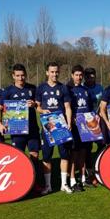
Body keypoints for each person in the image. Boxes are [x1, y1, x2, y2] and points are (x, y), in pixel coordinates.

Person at [0, 64, 41, 186]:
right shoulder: (8, 91)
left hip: (32, 128)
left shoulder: (32, 88)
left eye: (22, 75)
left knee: (35, 155)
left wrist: (35, 105)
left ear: (25, 75)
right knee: (19, 156)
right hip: (17, 130)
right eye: (17, 76)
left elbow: (39, 106)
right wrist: (0, 124)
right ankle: (20, 181)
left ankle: (34, 181)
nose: (20, 78)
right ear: (13, 76)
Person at [36, 62, 73, 194]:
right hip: (47, 127)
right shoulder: (41, 88)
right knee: (46, 156)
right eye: (52, 72)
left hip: (61, 127)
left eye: (56, 72)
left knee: (64, 155)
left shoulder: (63, 88)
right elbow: (38, 106)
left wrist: (68, 123)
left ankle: (64, 184)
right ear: (47, 73)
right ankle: (48, 186)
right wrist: (42, 111)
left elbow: (68, 107)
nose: (54, 74)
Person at [67, 65, 97, 192]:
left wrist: (93, 117)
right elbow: (66, 107)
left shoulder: (85, 90)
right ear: (72, 75)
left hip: (85, 125)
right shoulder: (68, 89)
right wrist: (71, 119)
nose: (78, 77)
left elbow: (90, 107)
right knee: (74, 153)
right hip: (74, 126)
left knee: (84, 152)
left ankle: (84, 179)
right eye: (76, 75)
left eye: (80, 75)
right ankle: (73, 180)